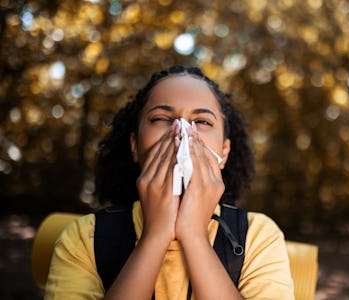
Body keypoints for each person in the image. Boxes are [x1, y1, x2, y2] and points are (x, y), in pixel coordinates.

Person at [44, 65, 294, 299]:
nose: (182, 133)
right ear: (135, 146)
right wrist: (155, 236)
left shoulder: (259, 236)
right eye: (161, 118)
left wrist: (194, 236)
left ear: (224, 153)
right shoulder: (83, 237)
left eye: (202, 122)